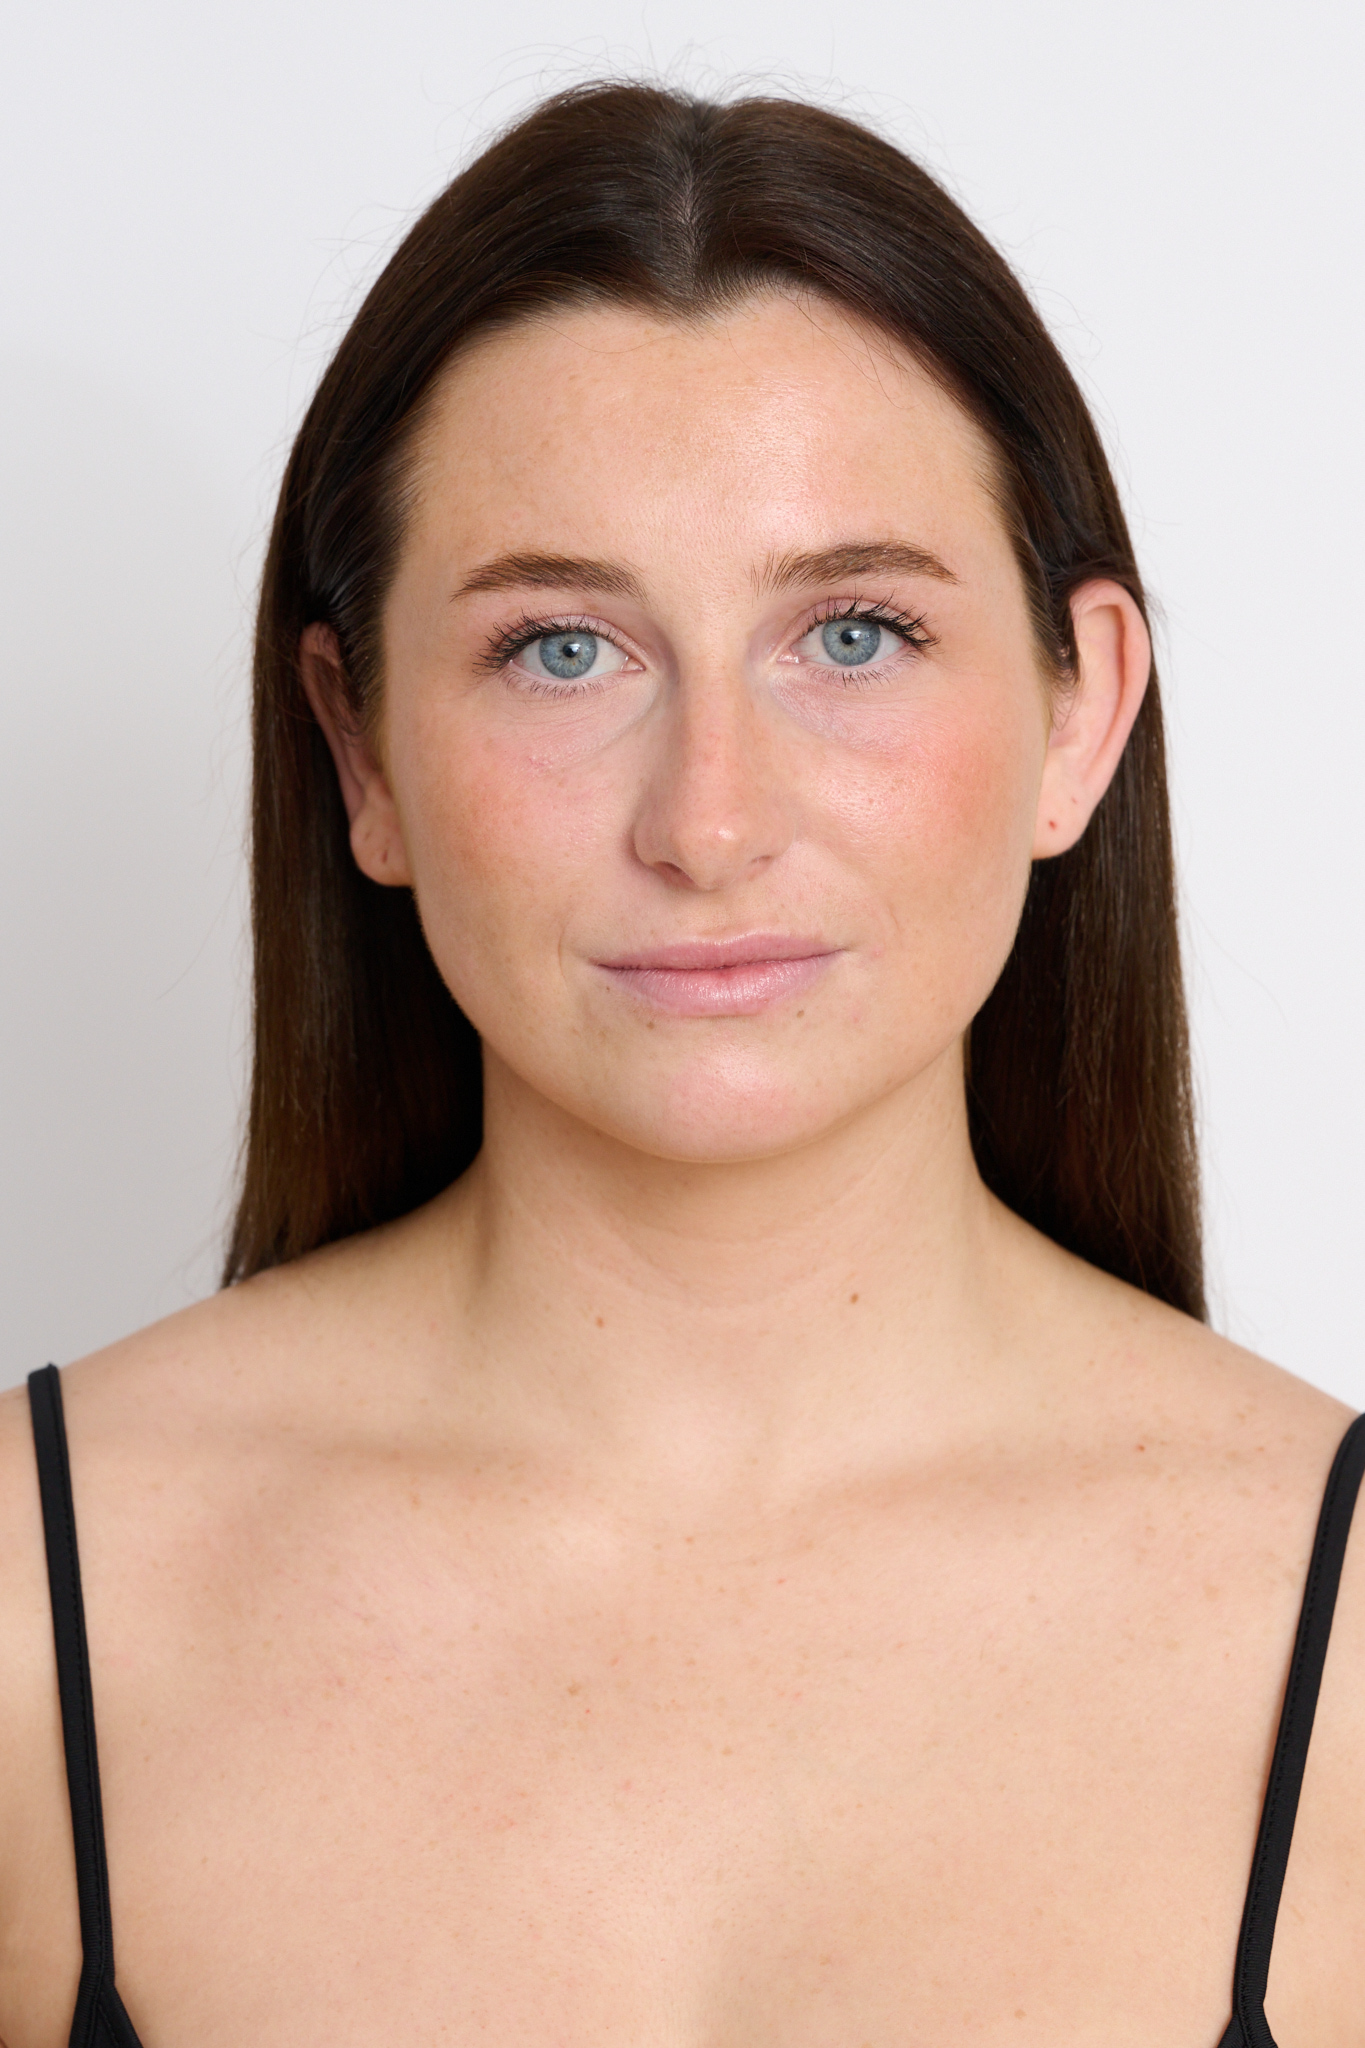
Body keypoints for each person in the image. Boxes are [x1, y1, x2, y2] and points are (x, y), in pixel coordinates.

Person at [0, 79, 1360, 2048]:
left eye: (853, 635)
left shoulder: (1343, 1639)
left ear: (1082, 717)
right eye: (562, 648)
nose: (708, 822)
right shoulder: (30, 1607)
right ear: (359, 747)